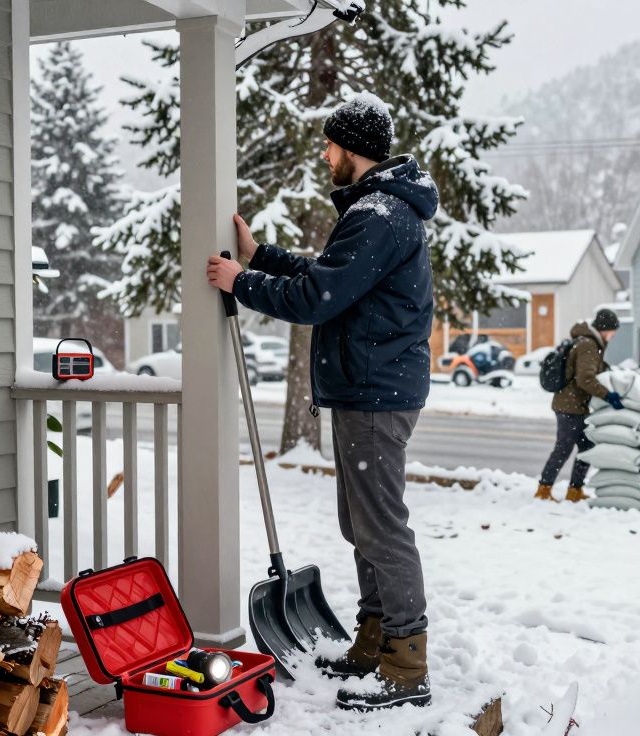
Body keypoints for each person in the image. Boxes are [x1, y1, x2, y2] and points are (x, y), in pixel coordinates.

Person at [205, 93, 437, 712]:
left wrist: (242, 283)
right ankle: (375, 639)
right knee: (360, 525)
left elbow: (316, 296)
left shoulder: (380, 215)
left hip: (375, 393)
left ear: (351, 148)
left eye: (332, 145)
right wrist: (262, 258)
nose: (326, 155)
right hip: (372, 389)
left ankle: (407, 663)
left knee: (381, 527)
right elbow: (333, 274)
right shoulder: (382, 212)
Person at [536, 309, 624, 502]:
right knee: (563, 449)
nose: (613, 336)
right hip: (570, 407)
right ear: (603, 329)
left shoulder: (588, 343)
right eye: (612, 331)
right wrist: (608, 396)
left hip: (576, 406)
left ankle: (575, 490)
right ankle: (543, 489)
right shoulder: (588, 345)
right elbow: (585, 379)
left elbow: (591, 370)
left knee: (587, 448)